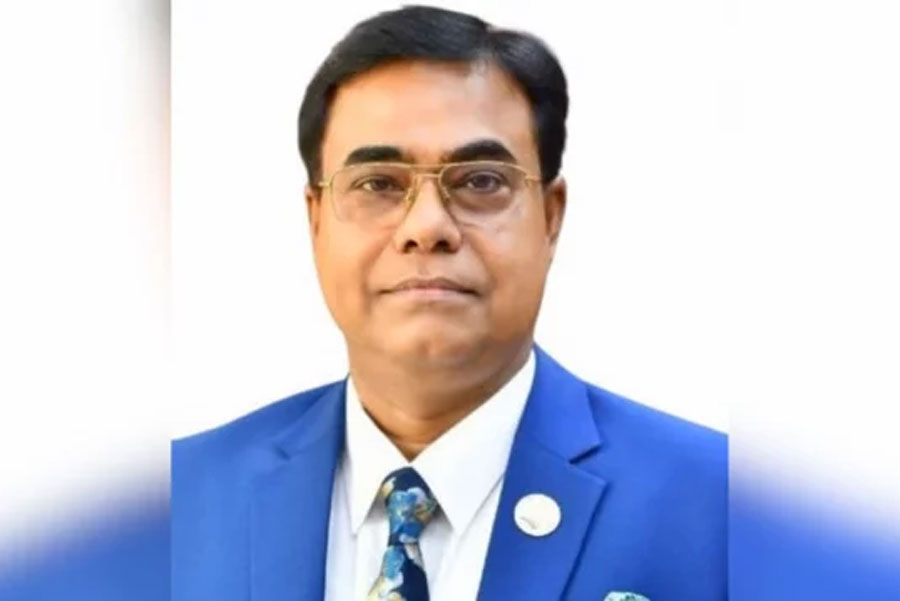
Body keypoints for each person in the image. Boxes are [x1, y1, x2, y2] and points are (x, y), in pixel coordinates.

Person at [171, 5, 726, 601]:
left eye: (480, 181)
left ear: (550, 217)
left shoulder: (721, 507)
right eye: (378, 184)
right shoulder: (175, 504)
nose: (427, 227)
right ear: (315, 219)